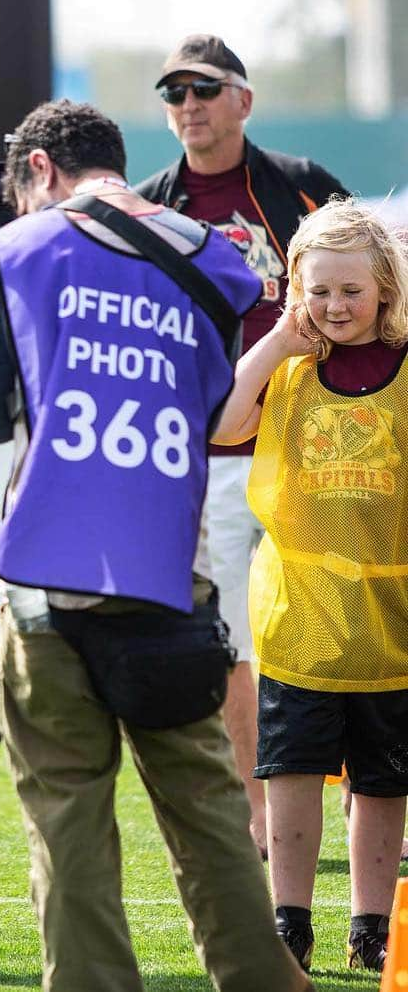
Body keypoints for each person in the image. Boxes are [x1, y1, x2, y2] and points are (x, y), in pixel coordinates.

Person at [0, 99, 312, 992]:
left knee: (69, 826)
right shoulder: (216, 261)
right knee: (208, 820)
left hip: (48, 580)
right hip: (169, 576)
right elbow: (207, 414)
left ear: (39, 170)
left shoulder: (16, 251)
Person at [136, 35, 349, 857]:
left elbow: (374, 287)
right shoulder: (153, 209)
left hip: (319, 450)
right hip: (213, 459)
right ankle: (261, 817)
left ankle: (368, 803)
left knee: (345, 628)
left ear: (243, 100)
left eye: (203, 88)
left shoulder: (301, 188)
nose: (187, 104)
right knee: (233, 644)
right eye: (173, 92)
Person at [211, 199, 408, 973]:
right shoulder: (289, 367)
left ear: (385, 290)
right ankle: (287, 920)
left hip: (391, 620)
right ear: (296, 289)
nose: (334, 307)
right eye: (317, 290)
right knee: (290, 774)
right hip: (301, 616)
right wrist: (270, 347)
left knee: (383, 785)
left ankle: (372, 925)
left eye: (351, 292)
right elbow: (223, 425)